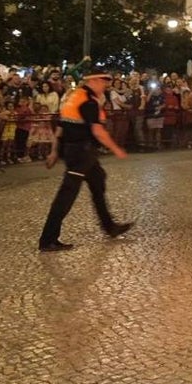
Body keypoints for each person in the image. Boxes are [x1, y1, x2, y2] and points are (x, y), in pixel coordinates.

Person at [37, 70, 133, 252]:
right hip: (80, 152)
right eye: (104, 81)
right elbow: (98, 131)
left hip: (78, 150)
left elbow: (60, 127)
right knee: (66, 195)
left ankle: (110, 227)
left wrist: (55, 151)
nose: (106, 84)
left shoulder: (74, 97)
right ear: (94, 81)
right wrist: (116, 149)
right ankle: (48, 239)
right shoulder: (88, 102)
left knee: (98, 181)